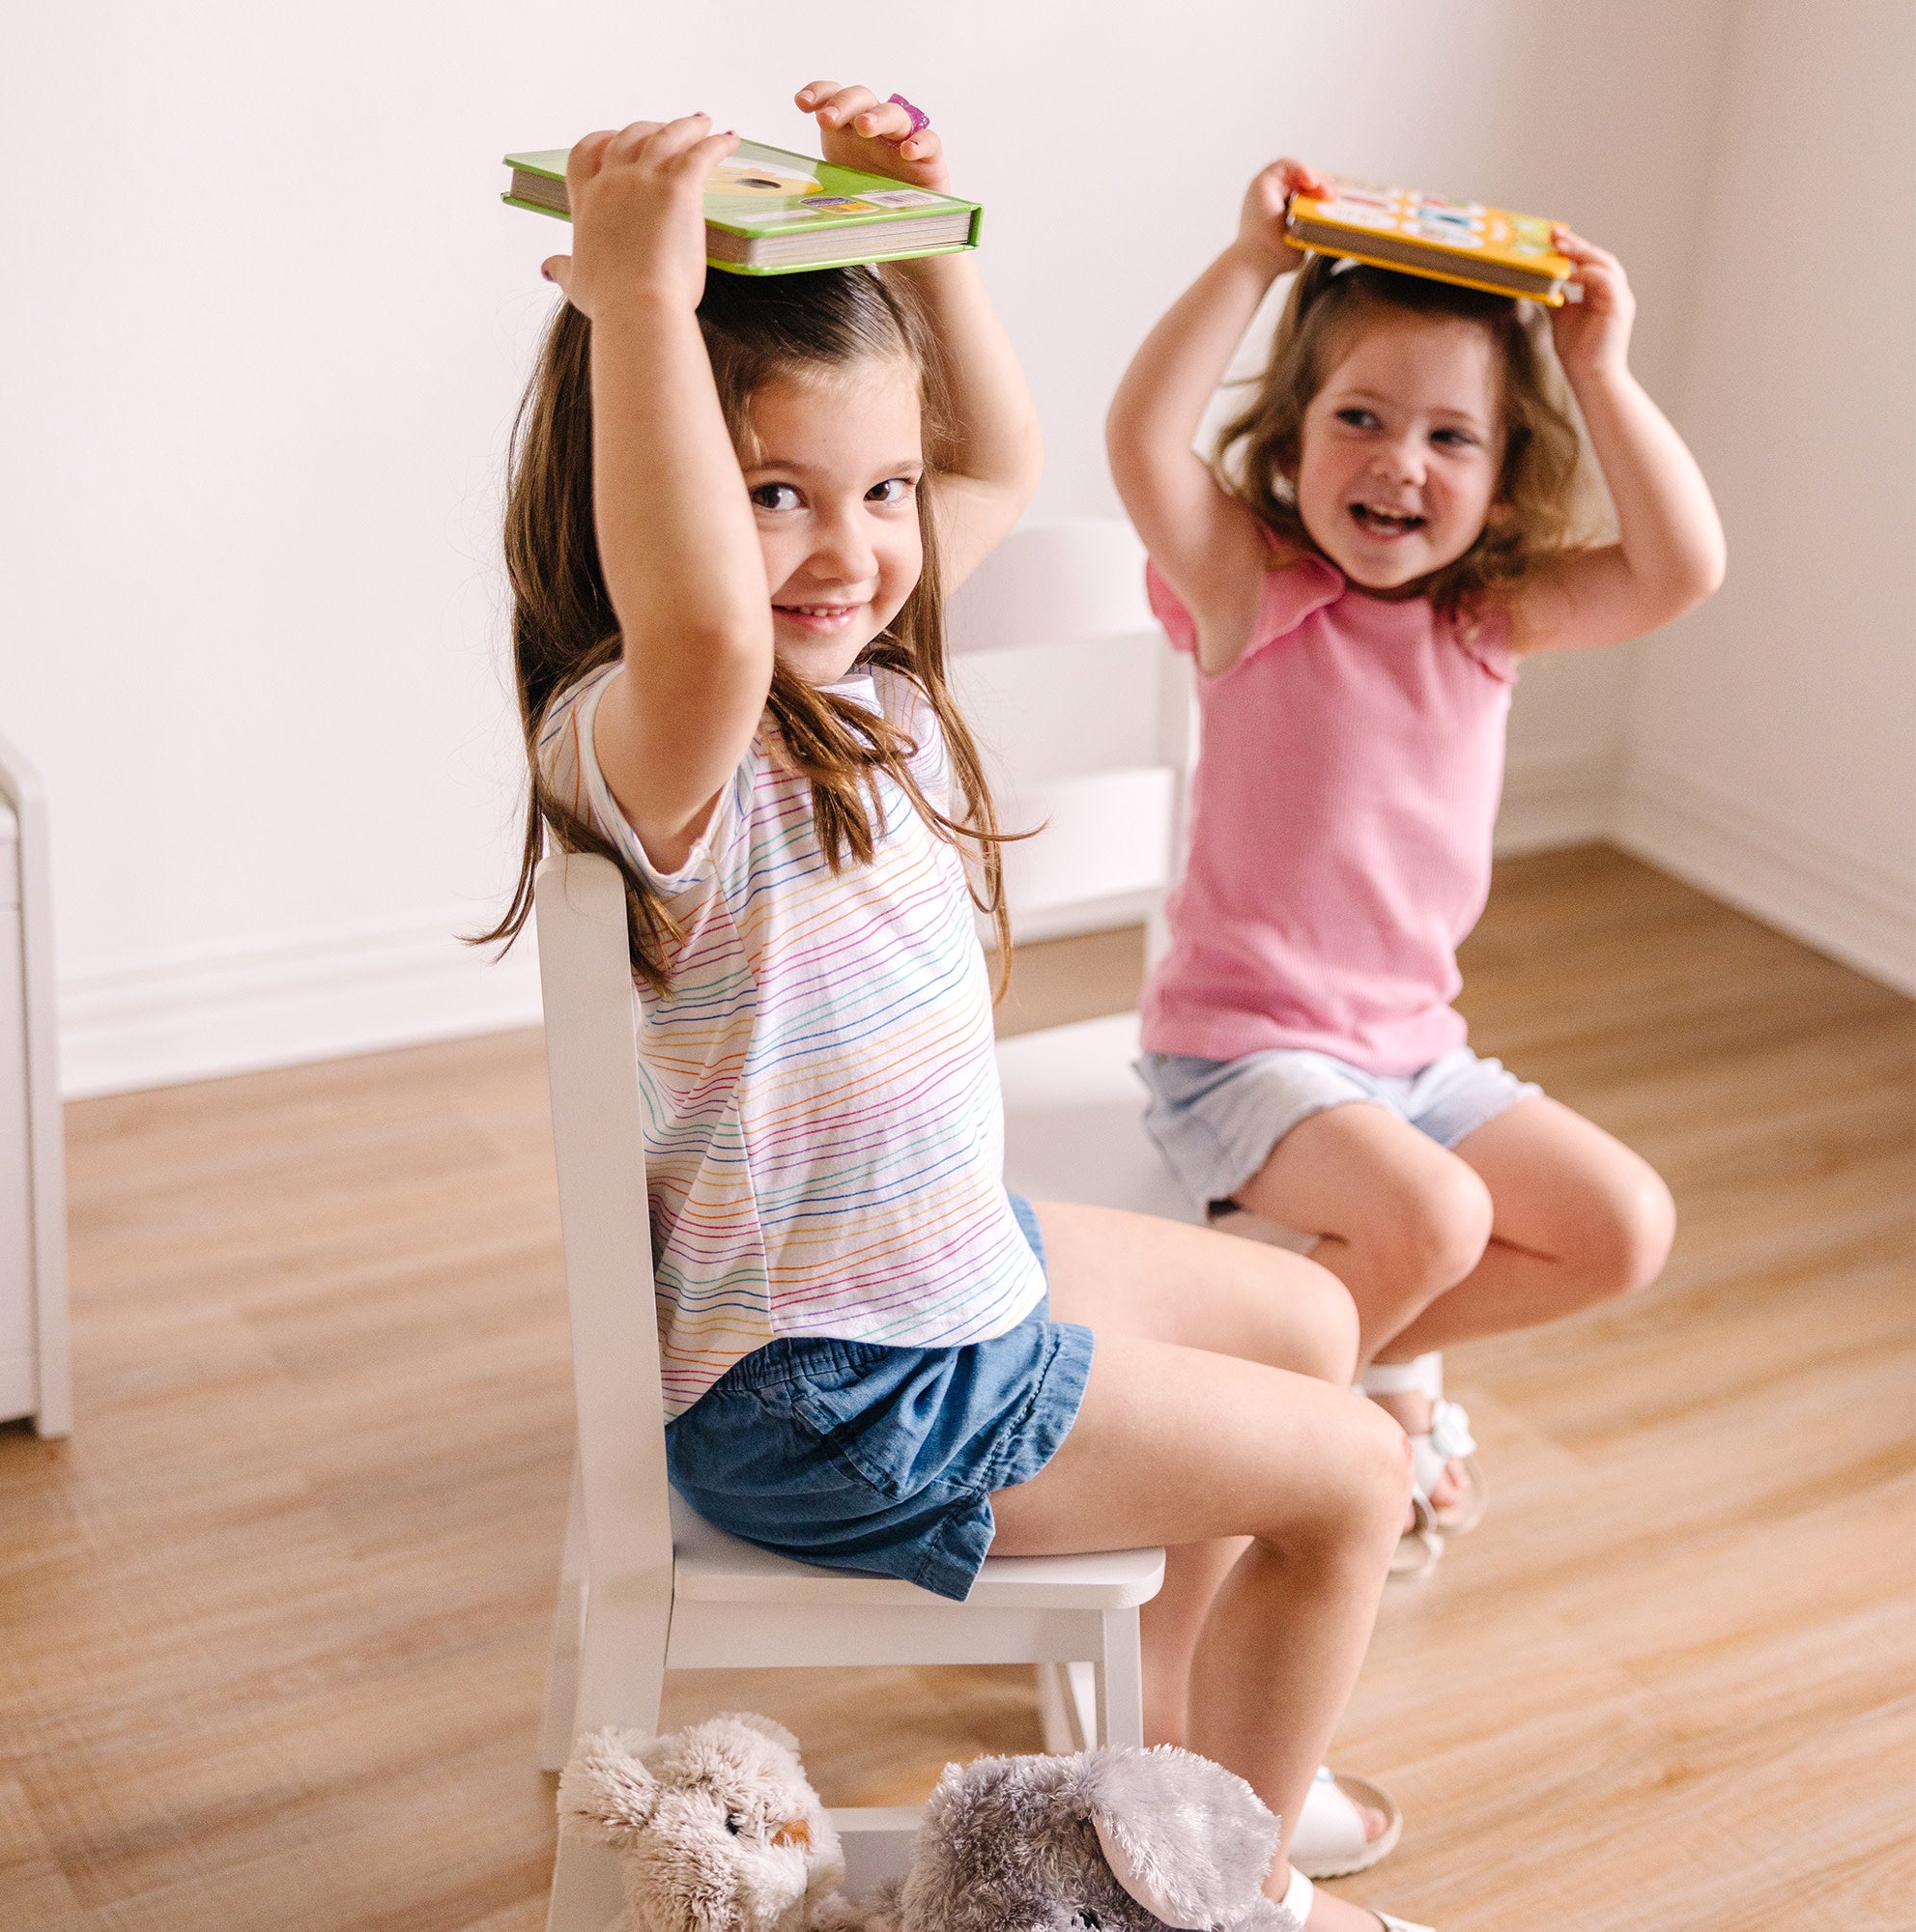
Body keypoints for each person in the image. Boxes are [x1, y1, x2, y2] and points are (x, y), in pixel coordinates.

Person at [484, 87, 1430, 1931]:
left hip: (935, 1275)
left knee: (1315, 1322)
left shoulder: (875, 675)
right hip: (841, 1391)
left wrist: (924, 231)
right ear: (656, 478)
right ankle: (1225, 1896)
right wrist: (640, 311)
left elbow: (989, 460)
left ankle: (1179, 1758)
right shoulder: (664, 733)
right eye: (772, 494)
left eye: (878, 492)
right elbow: (705, 627)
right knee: (1357, 1476)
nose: (852, 549)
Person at [1107, 160, 1725, 1570]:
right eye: (1362, 419)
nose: (1400, 461)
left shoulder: (1487, 619)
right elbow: (1144, 440)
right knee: (1441, 1217)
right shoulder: (1255, 589)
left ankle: (1269, 1373)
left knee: (1622, 1226)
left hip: (1414, 1058)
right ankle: (1317, 1403)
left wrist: (1599, 369)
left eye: (1454, 437)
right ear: (1294, 432)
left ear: (1504, 480)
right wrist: (1249, 268)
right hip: (1244, 1054)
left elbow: (1681, 565)